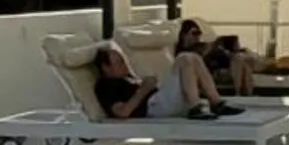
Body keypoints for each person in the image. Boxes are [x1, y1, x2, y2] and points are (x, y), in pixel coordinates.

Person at [92, 41, 241, 121]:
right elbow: (123, 112)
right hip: (155, 107)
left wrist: (145, 83)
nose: (124, 65)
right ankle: (196, 107)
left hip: (161, 100)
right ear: (106, 68)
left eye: (123, 61)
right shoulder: (105, 86)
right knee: (184, 58)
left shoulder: (126, 78)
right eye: (119, 63)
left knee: (193, 57)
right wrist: (143, 89)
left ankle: (216, 102)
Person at [177, 19, 257, 96]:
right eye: (194, 33)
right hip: (207, 74)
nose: (197, 36)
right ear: (184, 35)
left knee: (242, 62)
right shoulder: (181, 50)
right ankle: (239, 93)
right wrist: (208, 51)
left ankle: (246, 95)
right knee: (239, 63)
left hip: (219, 69)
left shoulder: (201, 45)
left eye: (199, 33)